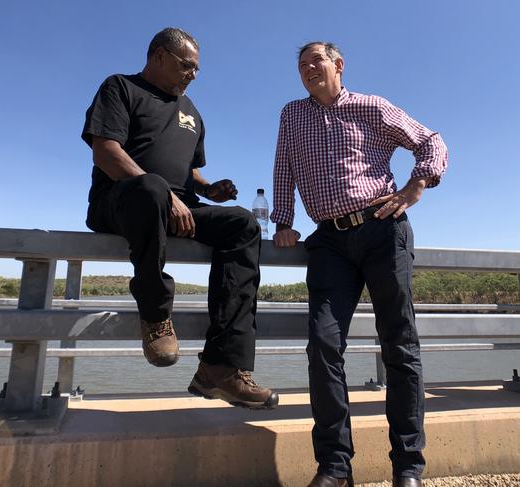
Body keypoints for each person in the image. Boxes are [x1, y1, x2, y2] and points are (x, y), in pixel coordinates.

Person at [271, 42, 448, 487]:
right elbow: (283, 167)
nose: (309, 68)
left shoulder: (371, 106)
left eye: (317, 60)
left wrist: (415, 187)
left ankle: (408, 467)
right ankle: (334, 466)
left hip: (381, 229)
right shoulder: (292, 114)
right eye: (302, 65)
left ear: (338, 65)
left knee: (399, 345)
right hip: (328, 240)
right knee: (323, 345)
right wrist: (284, 221)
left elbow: (429, 140)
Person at [81, 27, 278, 410]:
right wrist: (165, 194)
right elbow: (105, 151)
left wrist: (208, 190)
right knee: (151, 188)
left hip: (177, 206)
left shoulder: (191, 112)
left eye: (197, 69)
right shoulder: (120, 87)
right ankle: (155, 315)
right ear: (159, 56)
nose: (194, 74)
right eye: (187, 65)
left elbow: (188, 172)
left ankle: (220, 367)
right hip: (121, 202)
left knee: (242, 224)